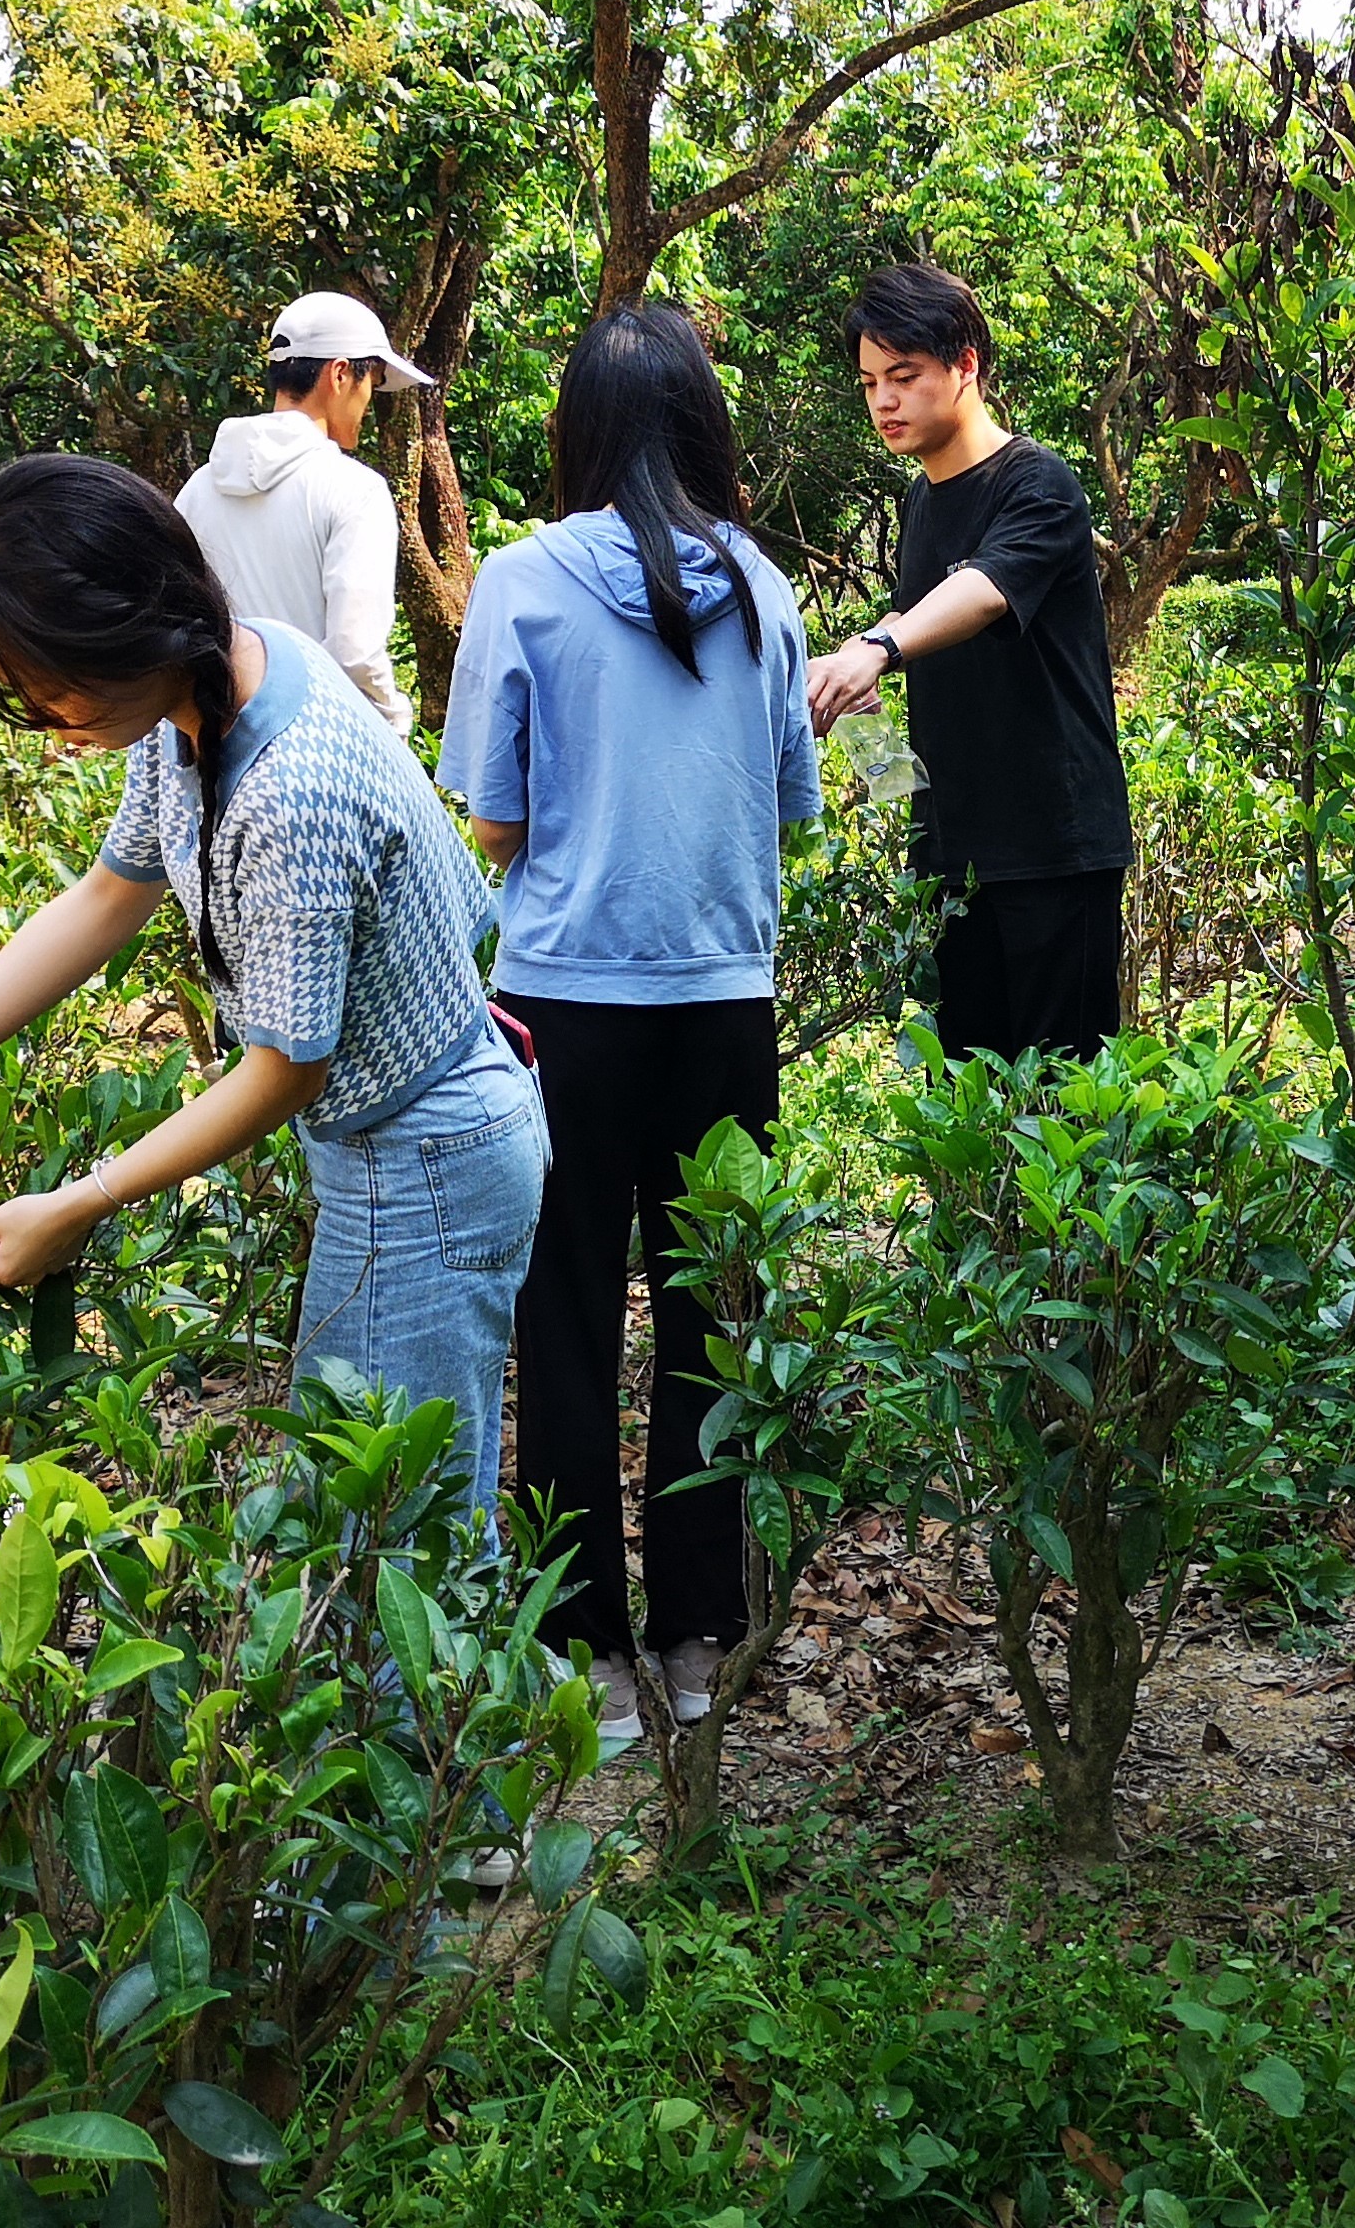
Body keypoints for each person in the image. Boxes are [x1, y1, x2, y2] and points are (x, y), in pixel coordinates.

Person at [0, 455, 546, 1520]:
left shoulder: (288, 790)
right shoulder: (207, 688)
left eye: (56, 689)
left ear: (140, 628)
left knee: (396, 1537)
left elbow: (285, 1070)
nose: (50, 722)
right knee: (378, 1518)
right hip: (393, 1142)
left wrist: (80, 1206)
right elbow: (110, 893)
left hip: (427, 1162)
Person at [438, 304, 820, 1741]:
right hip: (725, 1002)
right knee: (711, 1315)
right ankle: (701, 1636)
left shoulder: (523, 581)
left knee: (567, 1316)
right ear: (706, 426)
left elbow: (493, 817)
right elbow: (789, 802)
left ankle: (584, 1647)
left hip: (563, 1006)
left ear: (580, 435)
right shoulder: (766, 589)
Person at [801, 263, 1132, 1062]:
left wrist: (880, 646)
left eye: (903, 376)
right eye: (869, 382)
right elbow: (925, 628)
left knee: (1063, 1103)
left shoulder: (1038, 483)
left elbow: (983, 592)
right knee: (963, 1103)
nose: (883, 401)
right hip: (952, 864)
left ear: (966, 366)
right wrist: (865, 694)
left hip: (1055, 853)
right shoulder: (920, 500)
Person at [176, 290, 418, 731]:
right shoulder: (355, 490)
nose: (370, 401)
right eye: (373, 381)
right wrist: (394, 721)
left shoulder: (197, 489)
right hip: (315, 741)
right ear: (340, 374)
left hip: (214, 737)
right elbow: (354, 654)